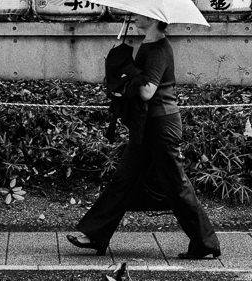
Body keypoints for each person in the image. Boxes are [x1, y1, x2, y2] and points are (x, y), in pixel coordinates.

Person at [66, 13, 221, 260]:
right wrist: (121, 62)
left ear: (151, 18)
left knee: (176, 185)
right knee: (124, 179)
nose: (134, 17)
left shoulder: (159, 47)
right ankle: (95, 234)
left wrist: (126, 68)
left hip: (161, 125)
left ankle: (206, 242)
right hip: (147, 125)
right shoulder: (147, 45)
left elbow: (148, 90)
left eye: (139, 14)